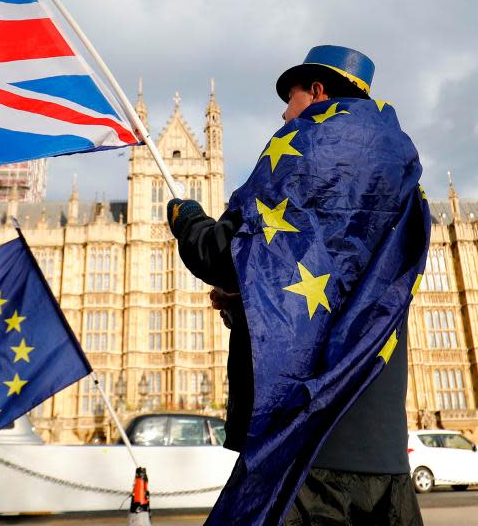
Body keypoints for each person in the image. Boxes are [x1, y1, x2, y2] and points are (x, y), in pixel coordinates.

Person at [167, 45, 424, 524]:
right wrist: (251, 301)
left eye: (290, 99)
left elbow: (226, 253)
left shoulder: (311, 158)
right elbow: (339, 290)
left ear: (318, 92)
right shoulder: (398, 171)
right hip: (383, 454)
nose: (285, 114)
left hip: (309, 450)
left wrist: (189, 221)